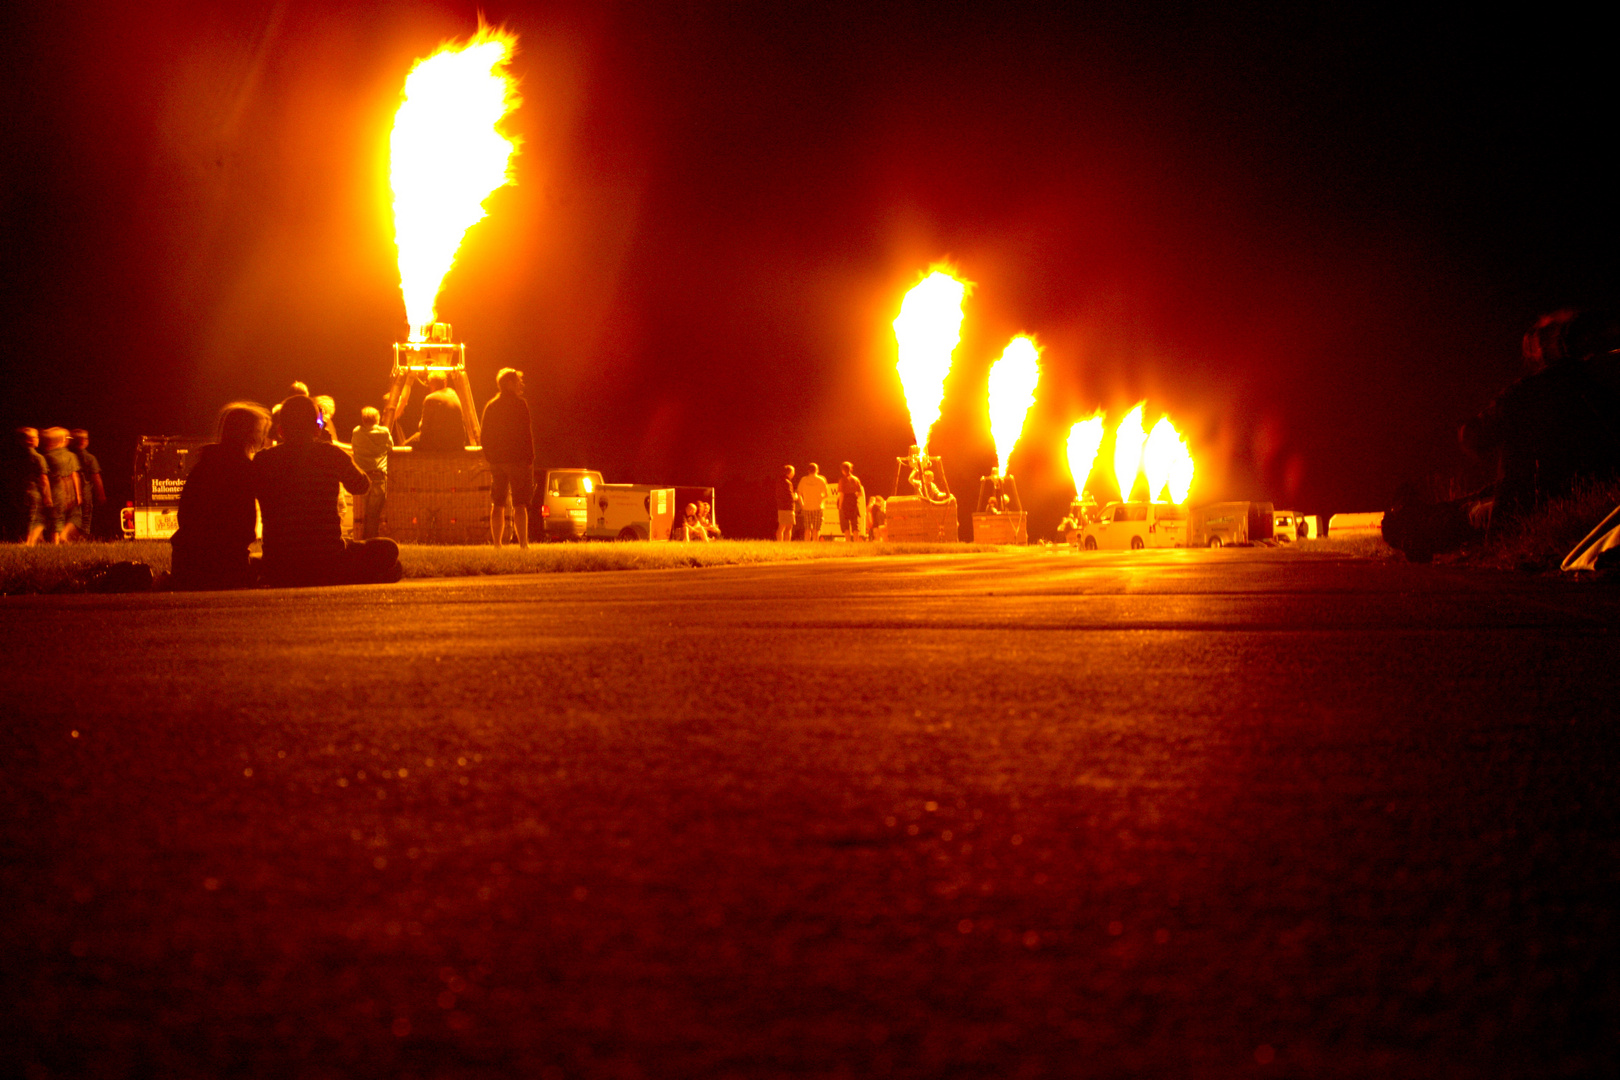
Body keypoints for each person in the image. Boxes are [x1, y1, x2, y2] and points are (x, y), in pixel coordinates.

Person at [252, 395, 402, 587]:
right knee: (389, 550)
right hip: (329, 557)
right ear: (317, 427)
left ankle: (284, 575)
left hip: (279, 561)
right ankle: (346, 576)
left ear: (280, 430)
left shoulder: (263, 460)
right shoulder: (330, 455)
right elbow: (362, 485)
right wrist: (334, 453)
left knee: (256, 560)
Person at [170, 403, 271, 590]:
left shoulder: (205, 464)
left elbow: (184, 515)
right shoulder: (244, 469)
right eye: (260, 431)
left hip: (186, 560)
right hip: (224, 564)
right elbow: (243, 528)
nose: (264, 438)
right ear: (246, 433)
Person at [479, 367, 533, 549]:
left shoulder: (491, 406)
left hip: (498, 462)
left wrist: (491, 458)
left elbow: (484, 436)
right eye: (517, 382)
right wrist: (529, 459)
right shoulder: (520, 405)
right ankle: (523, 544)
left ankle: (497, 544)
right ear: (509, 384)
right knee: (520, 504)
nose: (520, 385)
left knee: (498, 502)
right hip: (518, 461)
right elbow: (526, 435)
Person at [350, 406, 393, 540]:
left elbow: (354, 448)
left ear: (363, 419)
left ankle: (362, 539)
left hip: (361, 477)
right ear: (378, 418)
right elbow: (390, 448)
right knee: (374, 514)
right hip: (378, 476)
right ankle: (370, 541)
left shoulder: (356, 432)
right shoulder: (384, 432)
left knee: (363, 513)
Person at [2, 427, 51, 544]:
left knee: (24, 518)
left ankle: (36, 540)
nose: (38, 439)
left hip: (19, 491)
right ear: (29, 440)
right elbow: (43, 478)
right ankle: (27, 542)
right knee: (34, 518)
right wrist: (47, 496)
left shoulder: (15, 457)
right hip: (33, 492)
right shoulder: (38, 458)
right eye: (36, 437)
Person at [40, 427, 81, 544]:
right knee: (74, 515)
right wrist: (78, 494)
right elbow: (75, 476)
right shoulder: (70, 456)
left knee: (57, 517)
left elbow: (44, 477)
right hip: (68, 488)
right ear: (62, 440)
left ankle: (56, 540)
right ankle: (63, 535)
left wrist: (46, 495)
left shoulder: (46, 457)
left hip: (54, 490)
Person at [407, 372, 466, 451]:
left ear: (431, 384)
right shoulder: (453, 393)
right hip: (458, 443)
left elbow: (423, 428)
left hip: (440, 444)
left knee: (412, 440)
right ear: (445, 382)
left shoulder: (430, 399)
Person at [68, 429, 104, 541]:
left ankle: (71, 537)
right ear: (85, 441)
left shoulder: (69, 456)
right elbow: (96, 477)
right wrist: (101, 493)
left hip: (69, 492)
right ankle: (83, 537)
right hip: (85, 492)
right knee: (85, 516)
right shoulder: (90, 458)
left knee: (72, 516)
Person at [797, 462, 829, 541]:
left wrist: (802, 505)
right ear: (817, 470)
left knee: (807, 529)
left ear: (808, 470)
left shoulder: (803, 480)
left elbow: (799, 494)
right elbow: (826, 494)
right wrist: (820, 498)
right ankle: (815, 543)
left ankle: (807, 544)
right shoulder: (821, 480)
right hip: (818, 507)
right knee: (816, 529)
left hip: (807, 507)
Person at [837, 461, 865, 540]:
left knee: (845, 524)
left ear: (842, 470)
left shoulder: (842, 480)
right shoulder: (856, 479)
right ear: (851, 469)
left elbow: (841, 494)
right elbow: (860, 493)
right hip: (854, 502)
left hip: (845, 503)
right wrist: (854, 496)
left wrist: (840, 506)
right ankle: (856, 541)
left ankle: (848, 541)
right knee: (854, 524)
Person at [776, 465, 797, 542]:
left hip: (781, 507)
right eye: (793, 471)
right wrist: (796, 497)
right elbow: (790, 496)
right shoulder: (787, 482)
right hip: (788, 507)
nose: (794, 473)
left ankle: (780, 543)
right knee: (788, 527)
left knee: (781, 526)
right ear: (790, 472)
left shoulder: (780, 481)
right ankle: (786, 544)